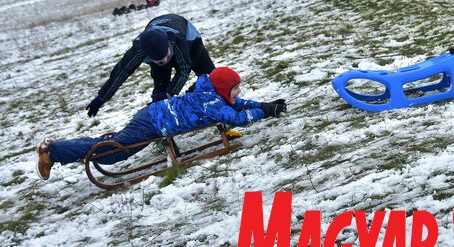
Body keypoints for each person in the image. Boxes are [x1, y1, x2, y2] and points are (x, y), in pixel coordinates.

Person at [36, 67, 288, 180]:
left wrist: (265, 105)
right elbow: (236, 118)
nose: (239, 92)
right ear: (223, 89)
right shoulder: (212, 103)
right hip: (153, 124)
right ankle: (53, 152)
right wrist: (265, 113)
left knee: (109, 145)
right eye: (235, 88)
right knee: (113, 152)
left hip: (153, 116)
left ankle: (56, 149)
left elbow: (239, 104)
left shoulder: (211, 94)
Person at [85, 14, 216, 117]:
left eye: (166, 55)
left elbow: (183, 70)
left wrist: (171, 93)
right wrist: (101, 98)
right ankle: (160, 124)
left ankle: (193, 98)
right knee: (160, 91)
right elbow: (120, 73)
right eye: (159, 59)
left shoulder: (178, 40)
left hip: (190, 41)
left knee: (211, 76)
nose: (165, 60)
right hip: (160, 41)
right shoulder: (139, 50)